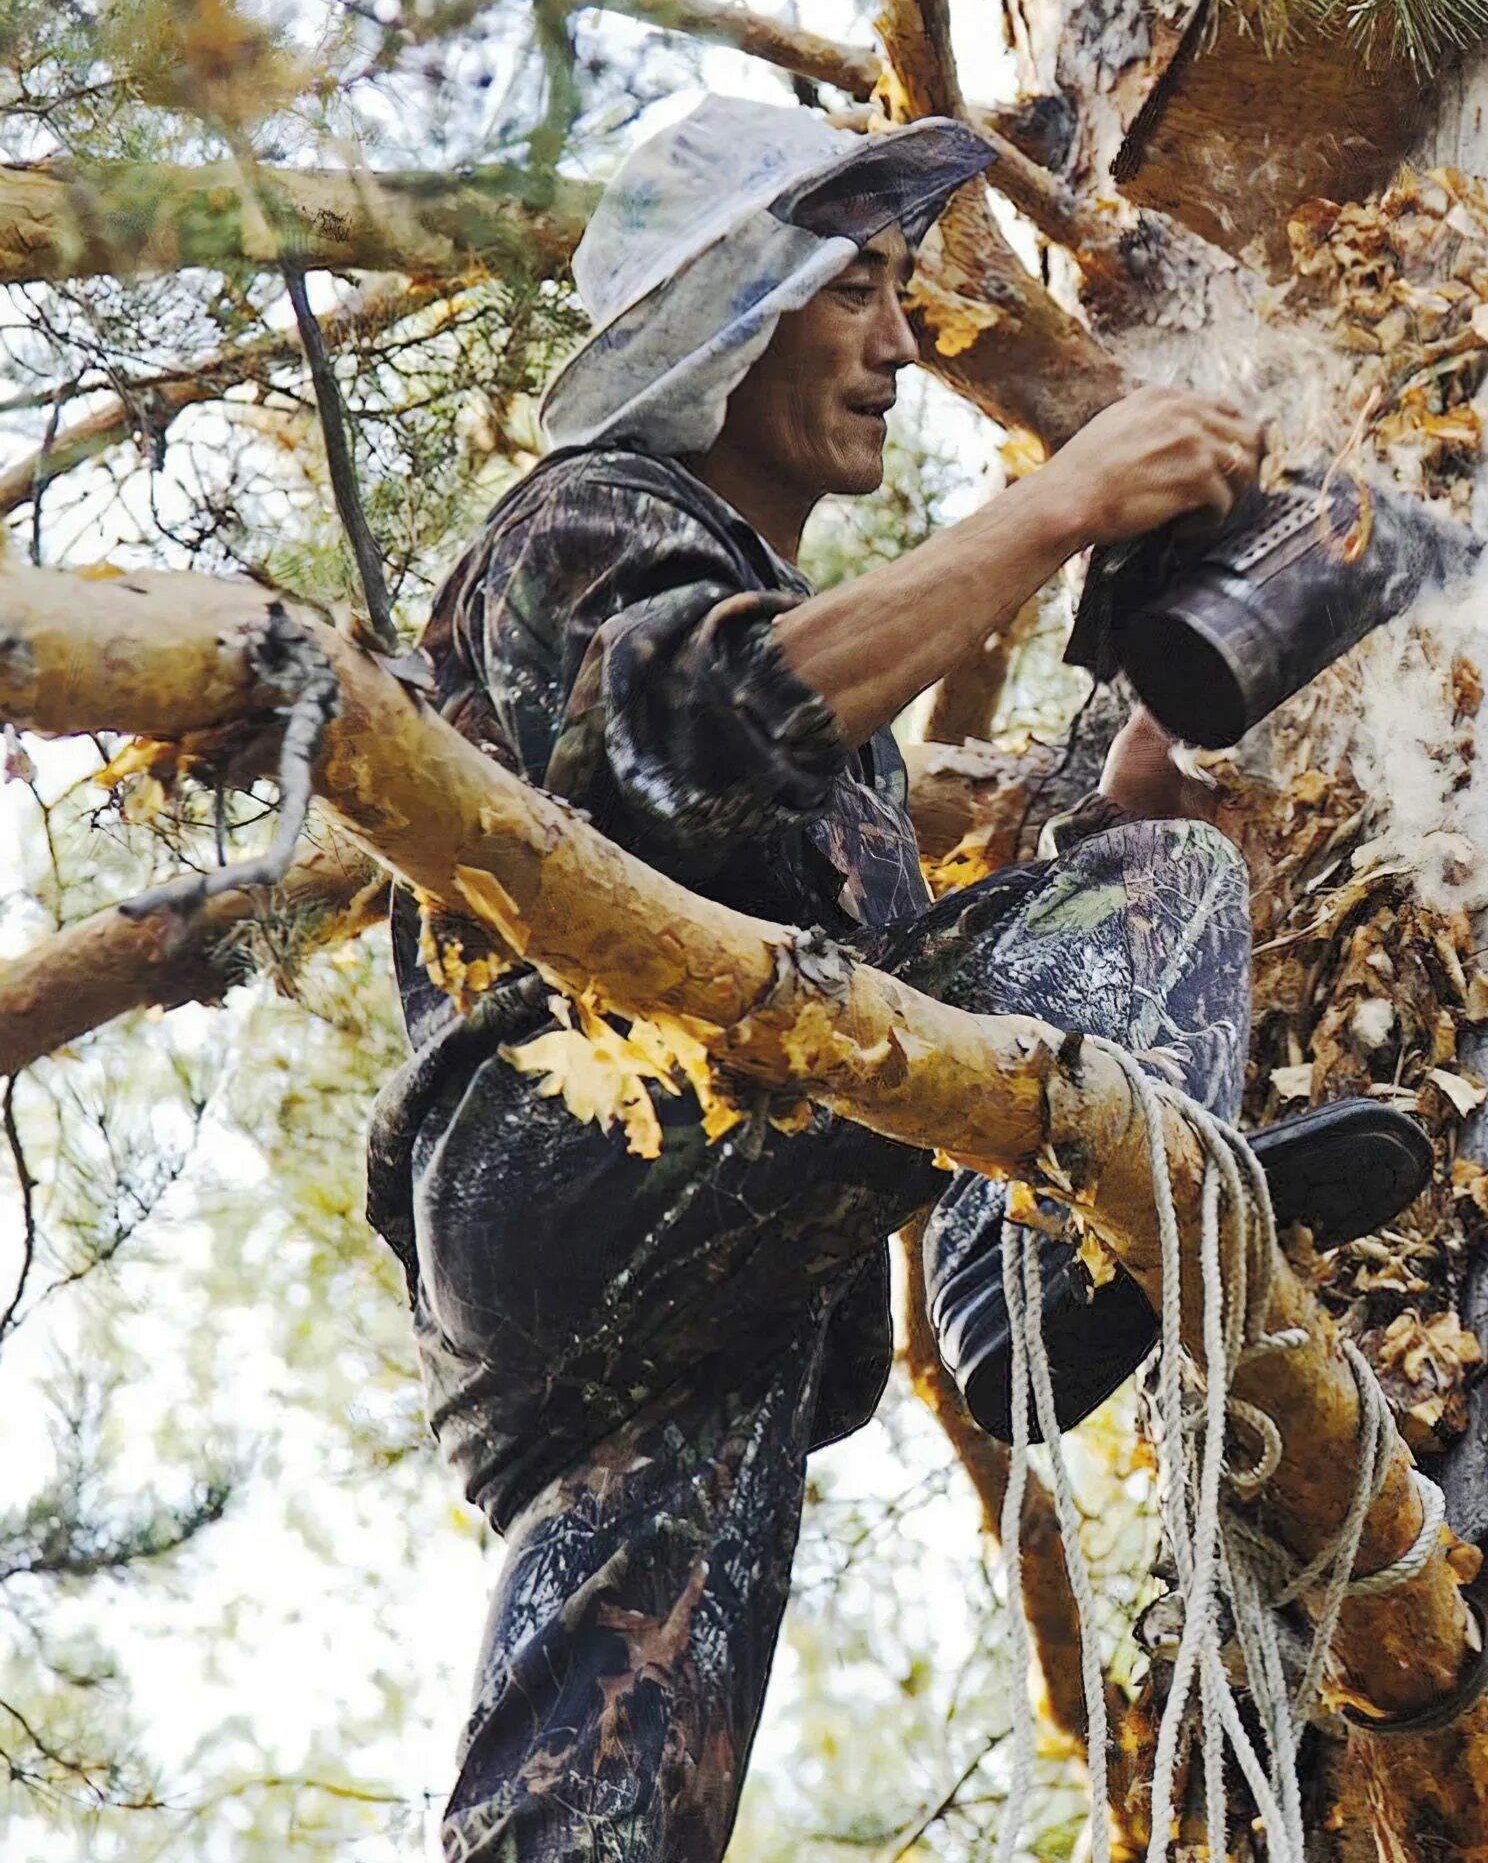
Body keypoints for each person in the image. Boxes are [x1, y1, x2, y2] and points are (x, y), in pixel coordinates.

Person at [366, 96, 1430, 1863]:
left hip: (686, 1284)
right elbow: (712, 727)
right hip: (583, 1155)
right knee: (1160, 893)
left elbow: (895, 975)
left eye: (898, 290)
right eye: (850, 290)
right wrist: (1063, 506)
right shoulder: (591, 514)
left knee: (610, 1780)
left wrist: (1113, 800)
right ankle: (1060, 1271)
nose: (897, 342)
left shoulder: (840, 719)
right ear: (727, 319)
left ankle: (1082, 1249)